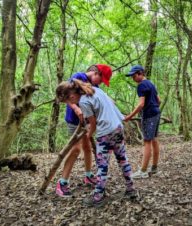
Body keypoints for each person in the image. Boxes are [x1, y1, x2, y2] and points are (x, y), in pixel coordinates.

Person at [56, 79, 136, 207]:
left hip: (105, 134)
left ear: (71, 96)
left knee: (102, 165)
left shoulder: (83, 102)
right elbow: (112, 104)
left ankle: (98, 196)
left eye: (69, 102)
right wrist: (121, 117)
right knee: (122, 160)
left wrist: (88, 135)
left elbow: (92, 124)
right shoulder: (96, 90)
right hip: (118, 128)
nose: (71, 104)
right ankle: (131, 189)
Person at [56, 64, 112, 198]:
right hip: (74, 121)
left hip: (85, 123)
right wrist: (76, 108)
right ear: (95, 73)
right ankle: (62, 182)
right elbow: (66, 95)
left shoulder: (95, 87)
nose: (101, 83)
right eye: (101, 79)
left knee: (87, 148)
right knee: (75, 149)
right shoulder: (78, 77)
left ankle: (88, 175)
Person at [124, 65, 161, 179]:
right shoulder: (151, 83)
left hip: (149, 115)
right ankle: (154, 168)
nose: (133, 78)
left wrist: (129, 116)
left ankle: (143, 171)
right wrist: (154, 107)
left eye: (134, 76)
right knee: (153, 139)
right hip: (156, 113)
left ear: (140, 73)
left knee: (147, 141)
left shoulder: (141, 85)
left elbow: (141, 104)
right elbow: (159, 100)